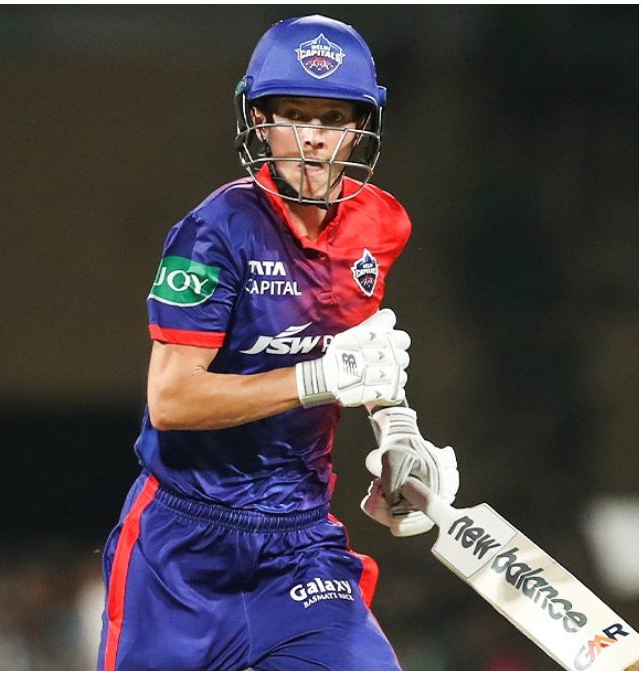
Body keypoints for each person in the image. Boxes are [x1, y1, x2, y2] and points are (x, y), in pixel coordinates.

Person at [97, 15, 460, 670]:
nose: (314, 137)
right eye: (295, 114)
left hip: (299, 545)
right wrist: (317, 379)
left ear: (360, 127)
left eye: (333, 117)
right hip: (184, 552)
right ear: (260, 121)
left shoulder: (380, 224)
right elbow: (171, 400)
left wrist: (399, 435)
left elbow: (362, 350)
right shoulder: (215, 231)